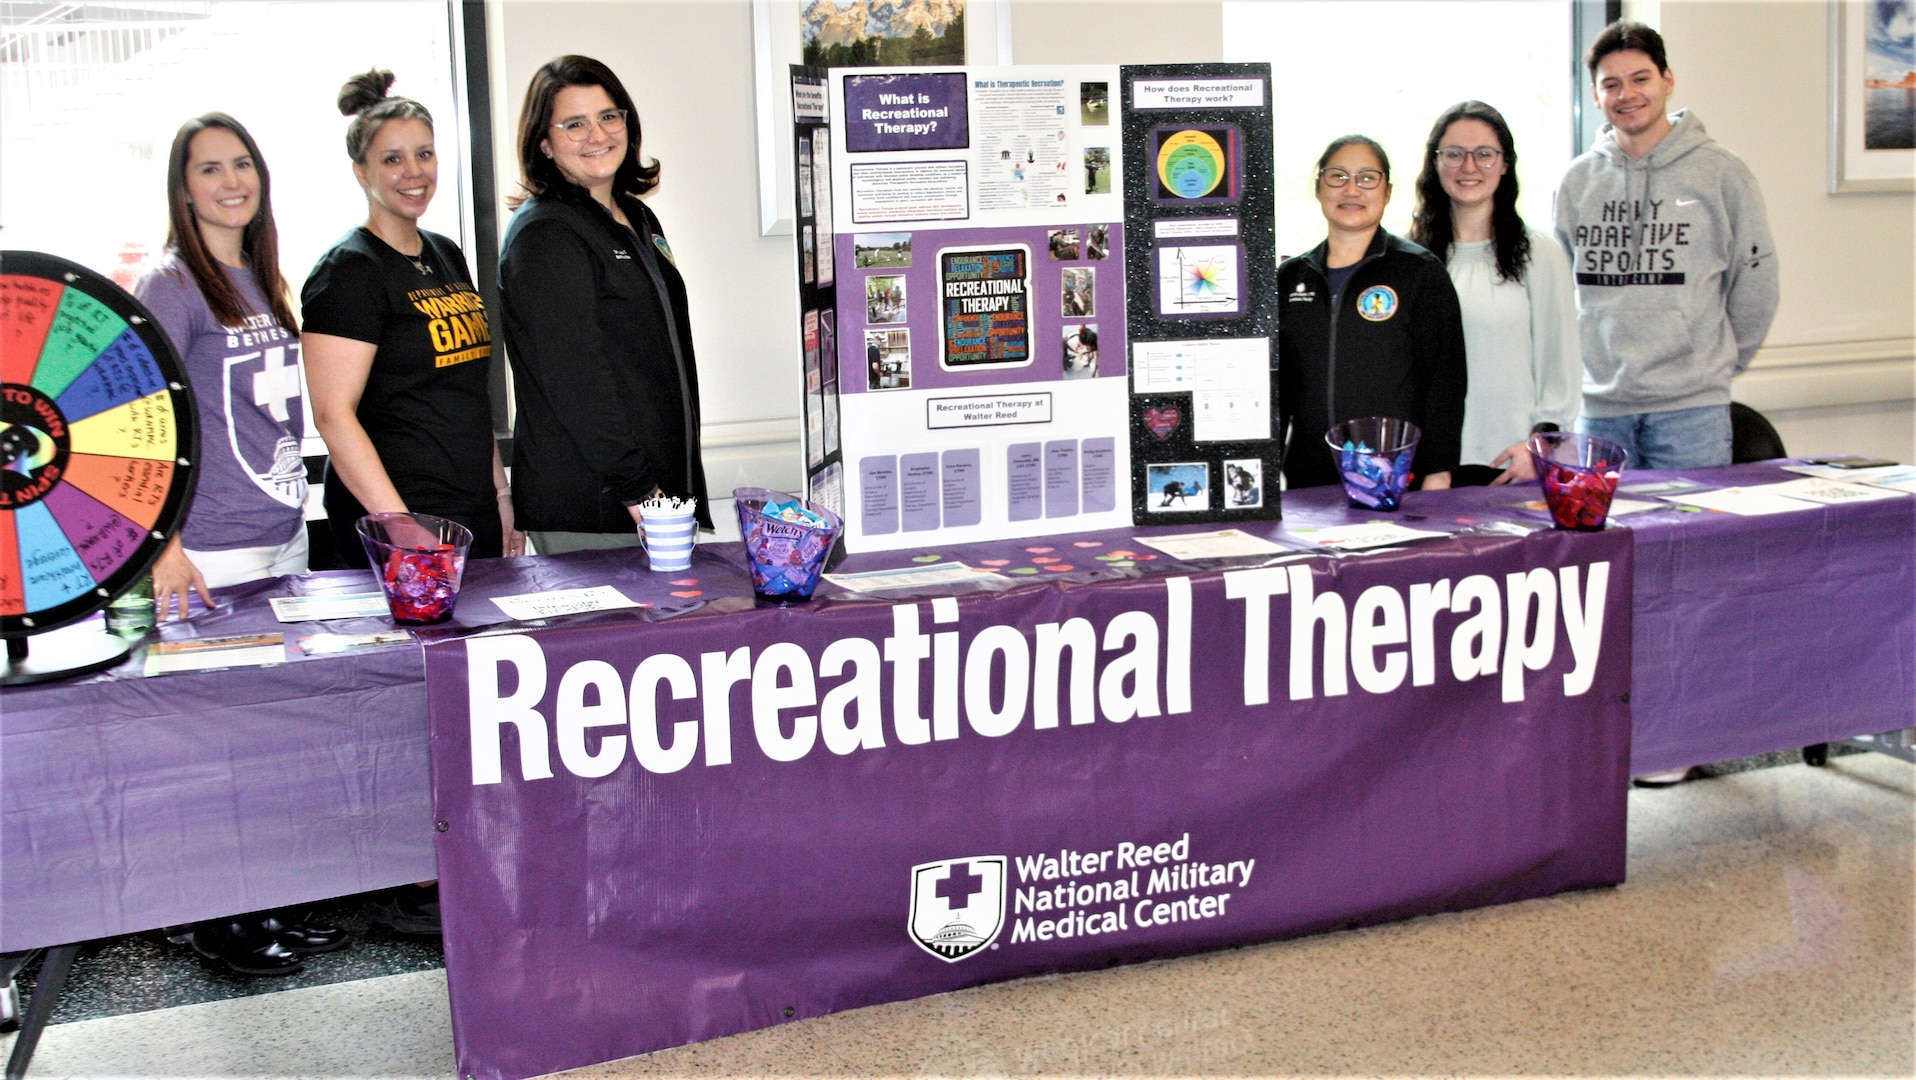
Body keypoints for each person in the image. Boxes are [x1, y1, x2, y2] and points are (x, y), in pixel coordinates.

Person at [135, 113, 346, 975]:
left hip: (279, 538)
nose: (231, 181)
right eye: (210, 169)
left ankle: (269, 903)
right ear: (184, 189)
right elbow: (137, 426)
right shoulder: (170, 284)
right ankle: (219, 919)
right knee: (216, 745)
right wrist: (163, 545)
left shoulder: (263, 279)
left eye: (243, 164)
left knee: (269, 739)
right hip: (207, 553)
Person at [301, 69, 519, 569]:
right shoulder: (348, 271)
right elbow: (333, 414)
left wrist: (501, 496)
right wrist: (396, 523)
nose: (414, 172)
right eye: (392, 159)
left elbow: (468, 389)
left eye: (424, 154)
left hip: (470, 508)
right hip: (397, 520)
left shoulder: (445, 253)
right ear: (362, 172)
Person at [499, 55, 711, 553]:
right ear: (544, 144)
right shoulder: (545, 235)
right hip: (599, 507)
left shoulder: (637, 218)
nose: (597, 135)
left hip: (658, 499)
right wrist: (641, 492)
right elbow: (575, 378)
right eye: (574, 124)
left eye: (609, 117)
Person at [1555, 20, 1778, 471]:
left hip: (1691, 412)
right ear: (1595, 96)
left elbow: (1757, 283)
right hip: (1598, 412)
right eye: (1611, 85)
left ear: (1667, 80)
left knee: (1694, 540)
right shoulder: (1577, 181)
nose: (1627, 95)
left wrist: (1715, 368)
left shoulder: (1722, 173)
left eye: (1641, 79)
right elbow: (1558, 290)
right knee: (1603, 541)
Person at [1277, 135, 1467, 492]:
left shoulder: (1419, 272)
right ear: (1319, 188)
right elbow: (1280, 387)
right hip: (1309, 479)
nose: (1352, 190)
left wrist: (1439, 469)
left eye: (1367, 178)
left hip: (1394, 477)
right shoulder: (1289, 278)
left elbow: (1445, 381)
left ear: (1388, 191)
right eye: (1338, 177)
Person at [1409, 101, 1580, 486]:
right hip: (1431, 468)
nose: (1469, 167)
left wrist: (1541, 447)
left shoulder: (1540, 252)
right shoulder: (1412, 260)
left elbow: (1561, 362)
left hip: (1514, 465)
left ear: (1505, 163)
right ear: (1435, 164)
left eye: (1484, 154)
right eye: (1453, 154)